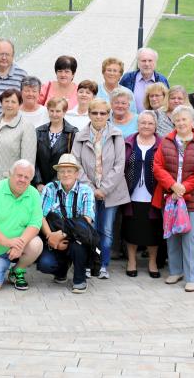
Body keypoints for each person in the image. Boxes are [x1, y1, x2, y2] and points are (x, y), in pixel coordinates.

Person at [152, 106, 194, 291]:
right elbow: (157, 166)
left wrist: (184, 187)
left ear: (192, 122)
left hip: (191, 197)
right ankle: (175, 271)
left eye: (184, 119)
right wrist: (172, 185)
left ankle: (192, 276)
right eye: (177, 120)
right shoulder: (167, 141)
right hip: (170, 196)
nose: (181, 123)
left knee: (190, 235)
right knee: (172, 234)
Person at [72, 98, 130, 279]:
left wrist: (104, 189)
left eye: (103, 113)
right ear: (89, 114)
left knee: (106, 230)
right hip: (87, 192)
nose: (98, 116)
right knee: (90, 229)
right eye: (94, 112)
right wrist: (90, 189)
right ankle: (90, 264)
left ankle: (103, 264)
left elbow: (120, 164)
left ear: (108, 114)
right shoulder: (80, 136)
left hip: (111, 192)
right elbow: (76, 164)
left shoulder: (116, 135)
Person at [0, 160, 43, 291]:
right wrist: (7, 242)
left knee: (36, 244)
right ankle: (0, 265)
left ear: (31, 179)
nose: (22, 179)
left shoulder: (33, 194)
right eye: (19, 175)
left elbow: (35, 223)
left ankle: (16, 270)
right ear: (10, 174)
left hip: (17, 246)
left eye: (26, 177)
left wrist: (20, 244)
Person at [36, 154, 95, 293]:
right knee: (45, 264)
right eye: (62, 171)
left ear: (76, 173)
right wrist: (51, 237)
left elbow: (86, 220)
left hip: (77, 237)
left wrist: (61, 235)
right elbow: (40, 216)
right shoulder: (50, 188)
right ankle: (61, 270)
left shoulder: (86, 191)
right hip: (54, 234)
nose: (65, 174)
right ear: (58, 174)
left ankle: (79, 279)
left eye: (69, 171)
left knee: (78, 246)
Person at [122, 111, 163, 279]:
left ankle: (152, 262)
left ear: (155, 126)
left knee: (153, 230)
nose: (146, 126)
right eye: (143, 123)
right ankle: (132, 261)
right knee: (131, 228)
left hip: (154, 194)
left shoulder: (162, 143)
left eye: (150, 123)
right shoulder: (128, 142)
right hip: (132, 194)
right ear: (138, 125)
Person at [0, 88, 37, 183]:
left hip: (13, 183)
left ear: (19, 105)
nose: (9, 105)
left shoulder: (26, 126)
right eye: (6, 101)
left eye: (13, 102)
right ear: (1, 103)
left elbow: (27, 162)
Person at [34, 97, 78, 192]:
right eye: (51, 111)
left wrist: (55, 183)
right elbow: (34, 159)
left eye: (58, 111)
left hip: (62, 185)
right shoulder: (39, 131)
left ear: (64, 112)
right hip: (39, 187)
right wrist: (38, 182)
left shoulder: (72, 132)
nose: (54, 114)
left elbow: (73, 160)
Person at [119, 48, 169, 113]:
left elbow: (167, 103)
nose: (147, 64)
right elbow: (117, 98)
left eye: (150, 60)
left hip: (156, 121)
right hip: (132, 121)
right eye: (143, 61)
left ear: (155, 63)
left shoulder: (162, 80)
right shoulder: (127, 78)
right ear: (138, 63)